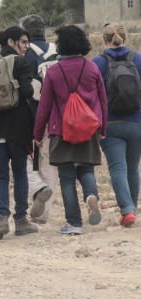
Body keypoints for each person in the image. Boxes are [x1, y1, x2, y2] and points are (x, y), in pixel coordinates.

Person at [34, 25, 107, 235]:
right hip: (89, 127)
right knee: (86, 169)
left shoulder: (54, 71)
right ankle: (91, 196)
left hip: (61, 130)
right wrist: (102, 127)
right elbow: (103, 100)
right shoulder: (92, 67)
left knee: (66, 176)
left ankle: (74, 223)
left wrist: (38, 134)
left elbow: (44, 106)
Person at [0, 26, 39, 240]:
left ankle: (1, 218)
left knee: (0, 176)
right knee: (20, 173)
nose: (26, 47)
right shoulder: (21, 62)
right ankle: (21, 219)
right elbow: (27, 91)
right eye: (23, 42)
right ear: (12, 42)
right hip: (18, 127)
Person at [93, 24, 141, 228]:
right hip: (137, 121)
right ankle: (132, 209)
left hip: (110, 123)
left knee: (117, 169)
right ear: (125, 38)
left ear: (104, 41)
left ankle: (127, 210)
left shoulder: (98, 62)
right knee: (133, 168)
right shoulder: (138, 59)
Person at [20, 14, 57, 223]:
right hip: (56, 117)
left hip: (31, 115)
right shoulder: (56, 51)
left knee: (22, 159)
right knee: (50, 164)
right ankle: (44, 213)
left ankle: (37, 188)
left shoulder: (26, 55)